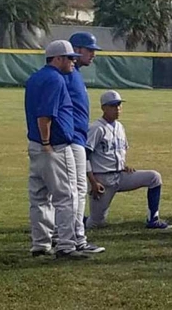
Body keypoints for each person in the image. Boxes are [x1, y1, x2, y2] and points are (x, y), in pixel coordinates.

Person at [25, 40, 87, 259]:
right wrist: (46, 143)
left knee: (39, 197)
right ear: (57, 58)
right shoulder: (55, 79)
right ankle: (67, 245)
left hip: (34, 145)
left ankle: (40, 244)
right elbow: (45, 115)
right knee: (66, 197)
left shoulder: (35, 78)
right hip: (53, 146)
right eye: (70, 58)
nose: (73, 62)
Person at [85, 91, 171, 229]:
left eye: (119, 105)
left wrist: (123, 165)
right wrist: (93, 182)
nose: (117, 109)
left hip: (120, 176)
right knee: (96, 223)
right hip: (103, 180)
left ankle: (153, 219)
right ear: (103, 108)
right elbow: (85, 156)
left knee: (154, 177)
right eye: (113, 106)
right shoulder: (96, 128)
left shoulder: (120, 127)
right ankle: (78, 220)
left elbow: (118, 151)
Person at [64, 32, 104, 254]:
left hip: (77, 137)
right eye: (90, 50)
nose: (93, 54)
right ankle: (76, 238)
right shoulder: (67, 74)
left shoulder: (74, 73)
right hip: (72, 139)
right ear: (77, 50)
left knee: (72, 191)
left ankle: (63, 236)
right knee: (76, 191)